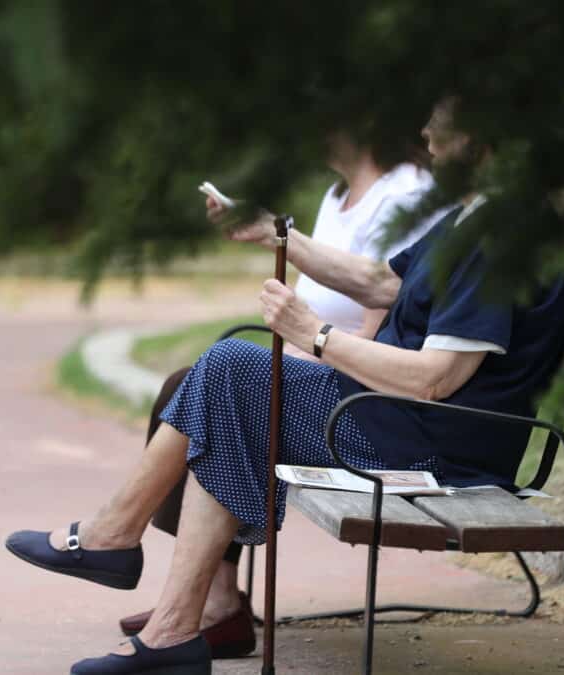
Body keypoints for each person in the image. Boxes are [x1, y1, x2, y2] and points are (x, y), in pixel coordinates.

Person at [5, 98, 564, 674]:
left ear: (485, 141)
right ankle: (163, 611)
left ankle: (131, 563)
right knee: (227, 379)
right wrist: (278, 235)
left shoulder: (504, 238)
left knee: (232, 370)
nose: (425, 133)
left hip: (433, 450)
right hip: (391, 420)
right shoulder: (476, 219)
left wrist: (317, 334)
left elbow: (435, 379)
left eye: (440, 123)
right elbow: (381, 284)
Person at [113, 125, 440, 659]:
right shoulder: (339, 197)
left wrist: (307, 347)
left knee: (217, 381)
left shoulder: (403, 193)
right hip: (332, 367)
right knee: (205, 378)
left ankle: (188, 588)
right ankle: (205, 597)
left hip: (366, 391)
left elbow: (385, 319)